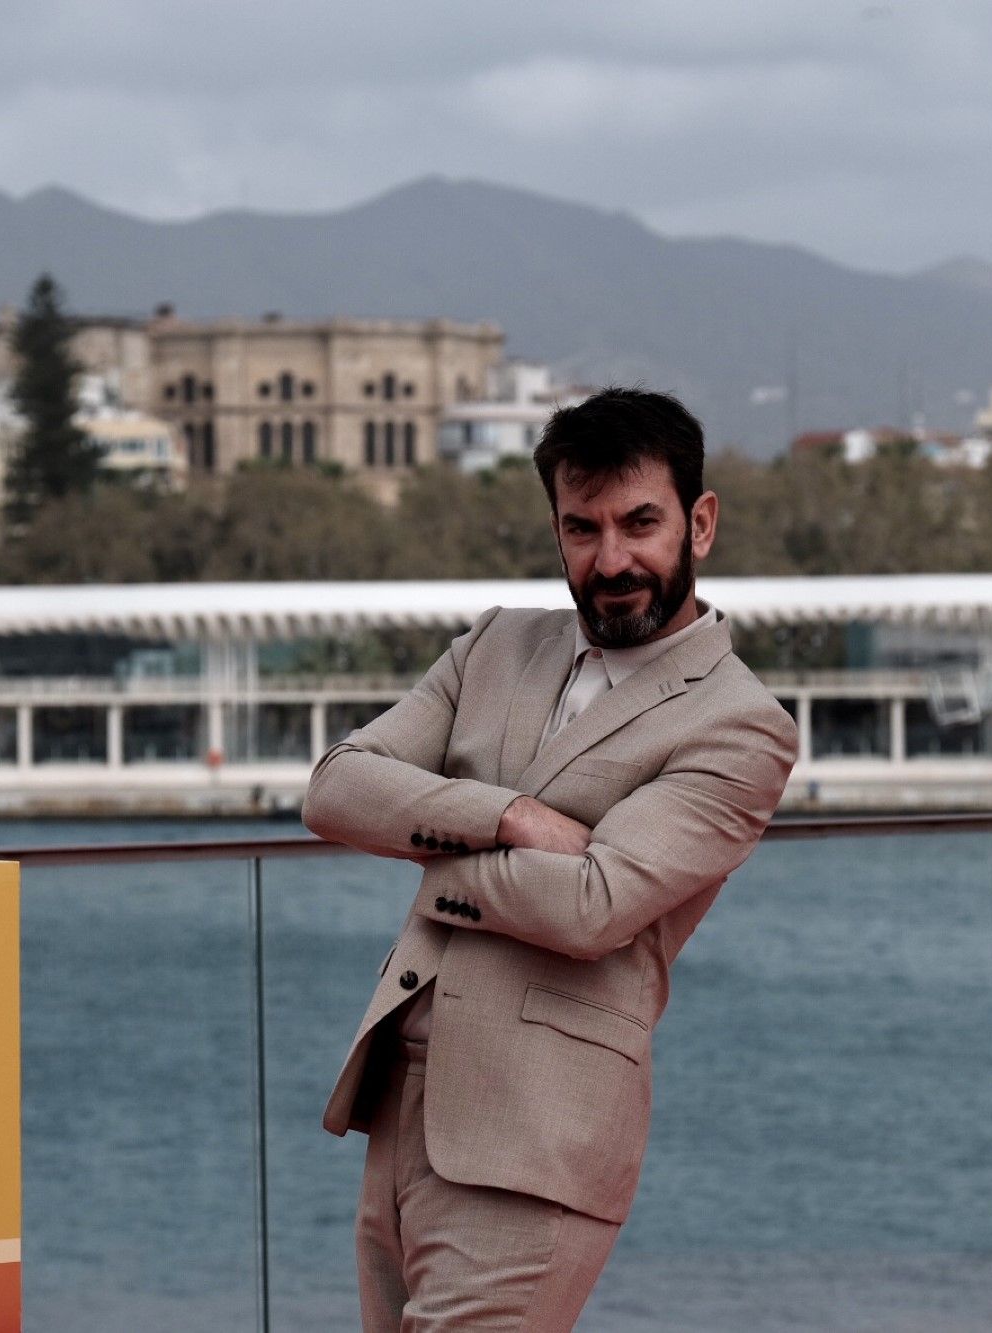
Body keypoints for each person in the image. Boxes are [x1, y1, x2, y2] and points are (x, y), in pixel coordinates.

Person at [302, 387, 799, 1331]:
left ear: (701, 522)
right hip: (398, 1110)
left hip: (538, 1142)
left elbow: (591, 905)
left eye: (640, 523)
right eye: (584, 528)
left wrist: (429, 851)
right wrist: (516, 817)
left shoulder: (739, 725)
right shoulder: (495, 644)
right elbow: (335, 787)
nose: (611, 561)